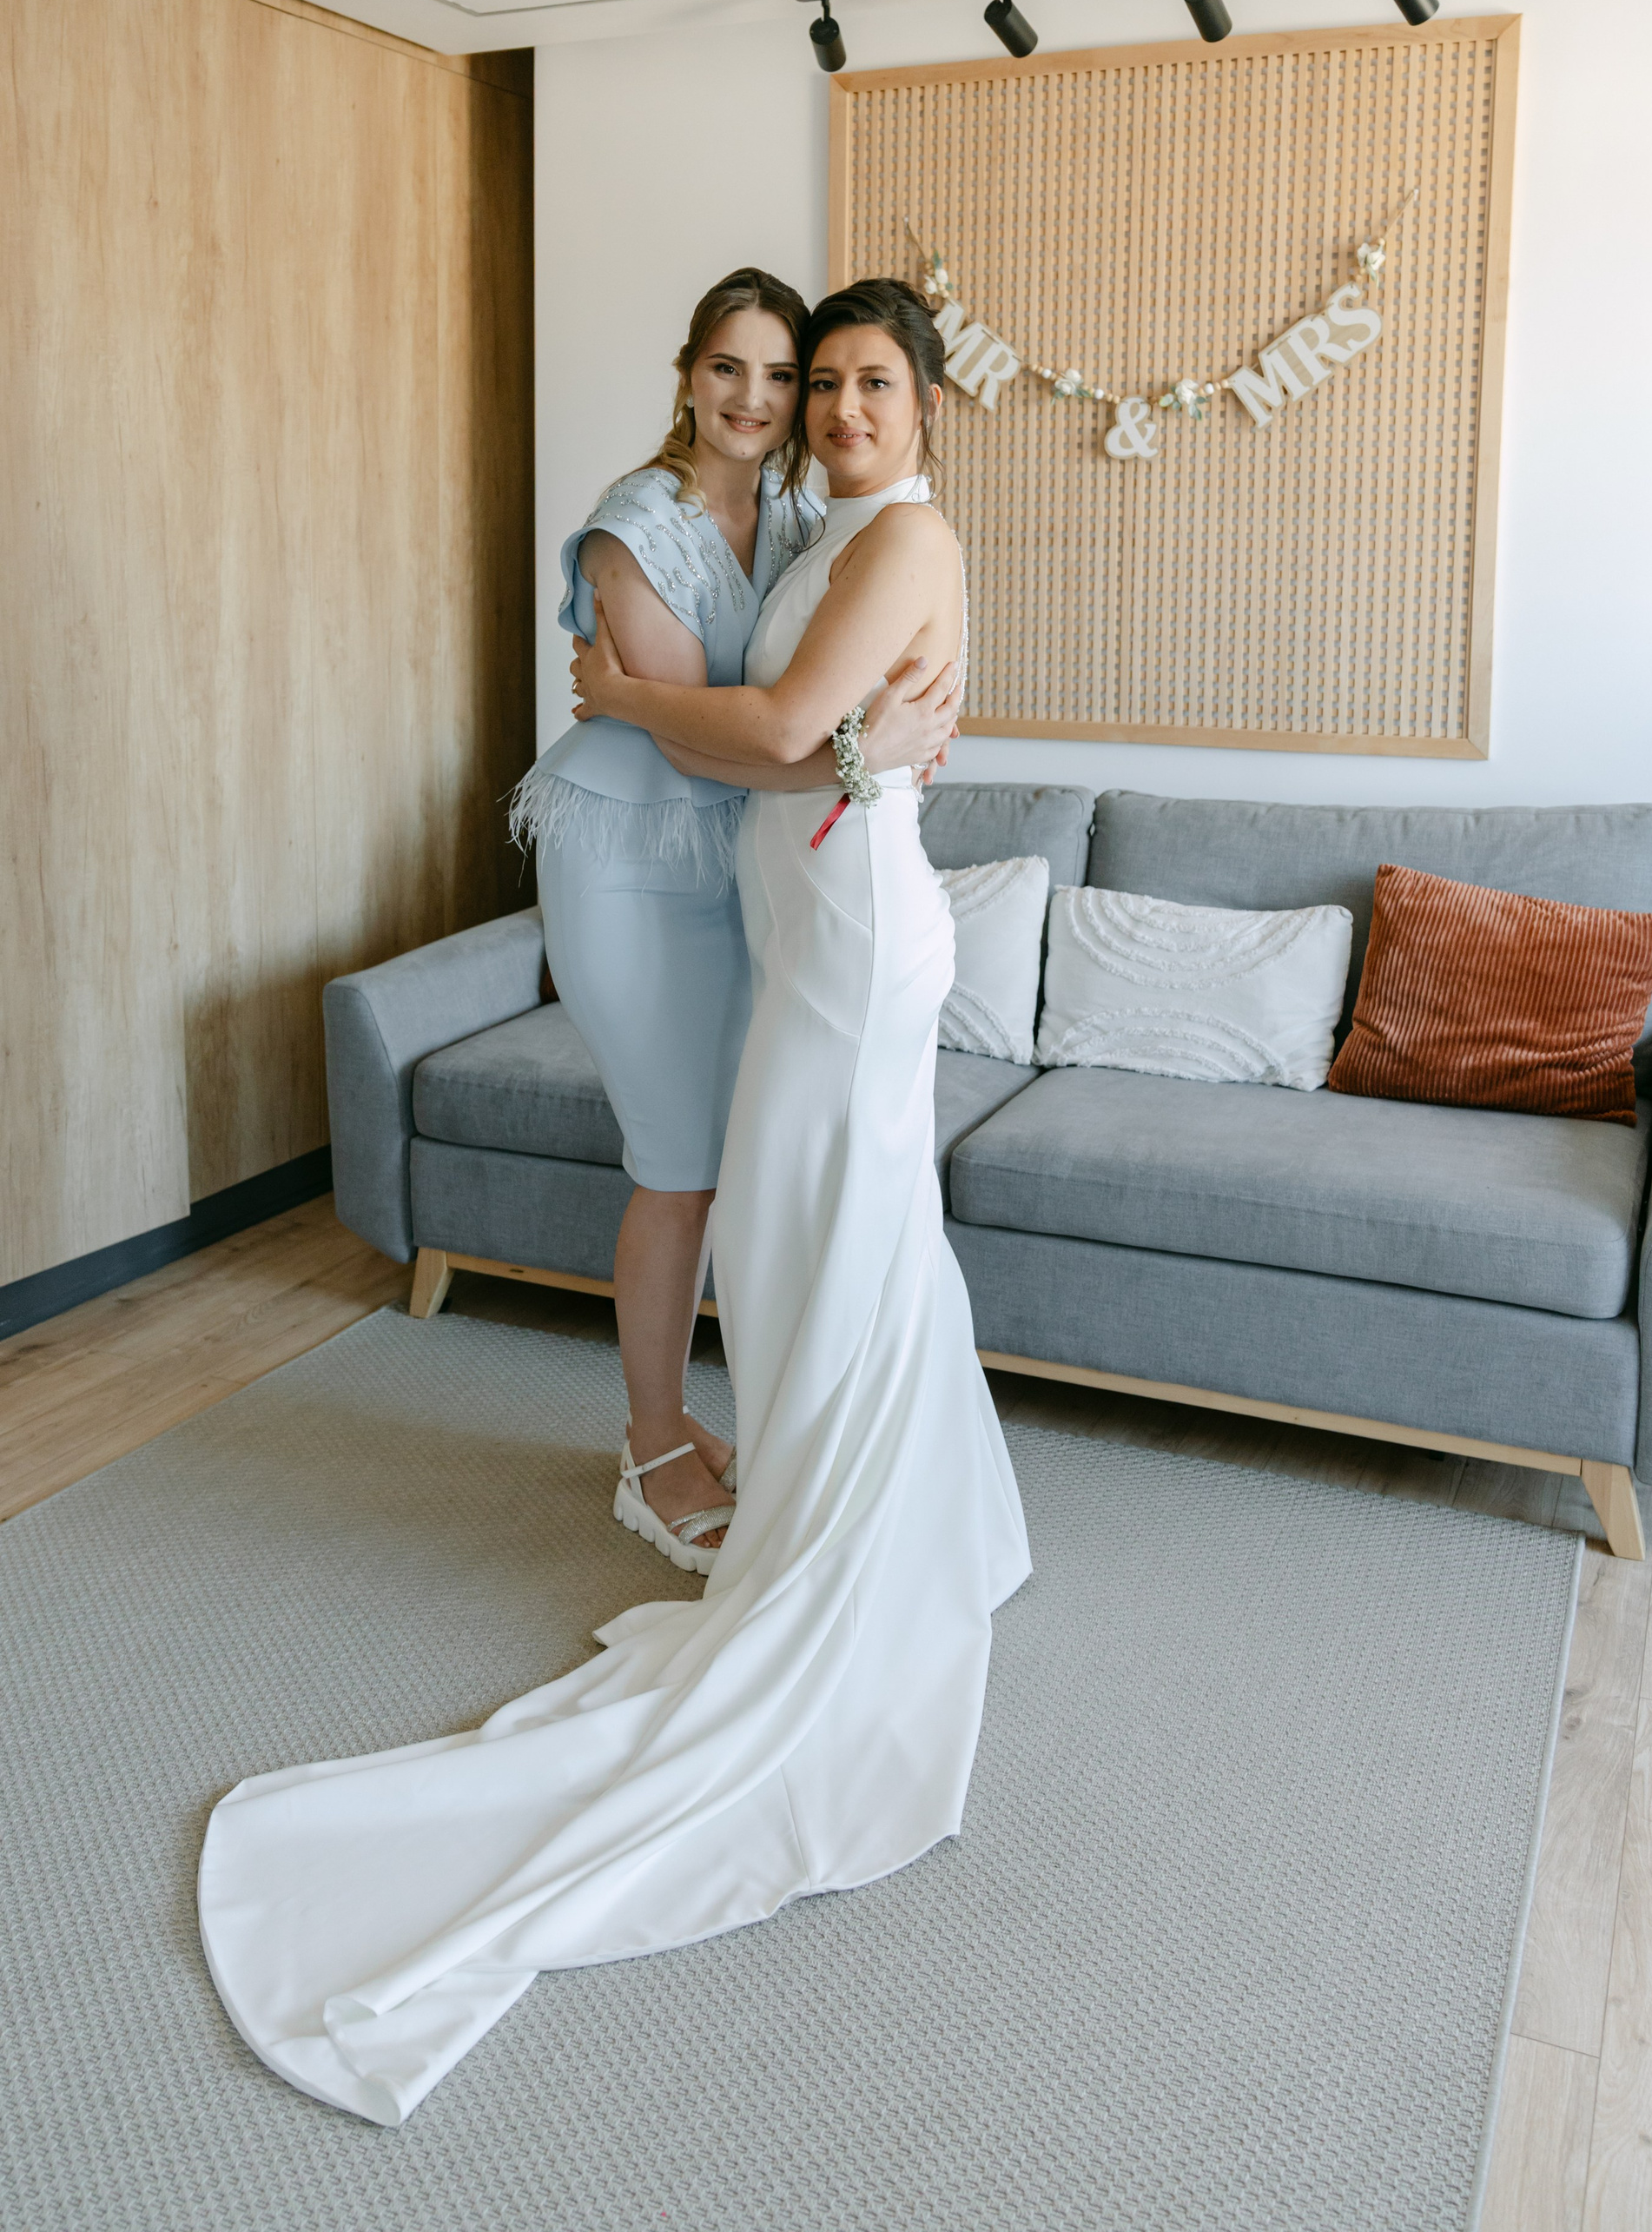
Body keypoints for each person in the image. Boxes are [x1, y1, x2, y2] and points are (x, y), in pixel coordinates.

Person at [195, 279, 1028, 2127]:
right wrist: (804, 735)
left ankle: (843, 1539)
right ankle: (782, 1486)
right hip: (771, 915)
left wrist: (697, 710)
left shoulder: (894, 531)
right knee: (798, 1236)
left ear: (928, 404)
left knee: (820, 1236)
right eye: (809, 380)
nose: (827, 407)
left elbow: (787, 723)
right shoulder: (789, 525)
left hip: (845, 929)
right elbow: (786, 729)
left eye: (861, 383)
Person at [509, 268, 958, 1568]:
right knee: (678, 1161)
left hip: (737, 865)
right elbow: (706, 737)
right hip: (625, 854)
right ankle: (653, 1452)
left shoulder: (808, 517)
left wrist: (866, 755)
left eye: (783, 374)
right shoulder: (630, 524)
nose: (759, 399)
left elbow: (794, 721)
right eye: (731, 368)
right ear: (687, 375)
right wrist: (862, 761)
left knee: (730, 1163)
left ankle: (746, 1438)